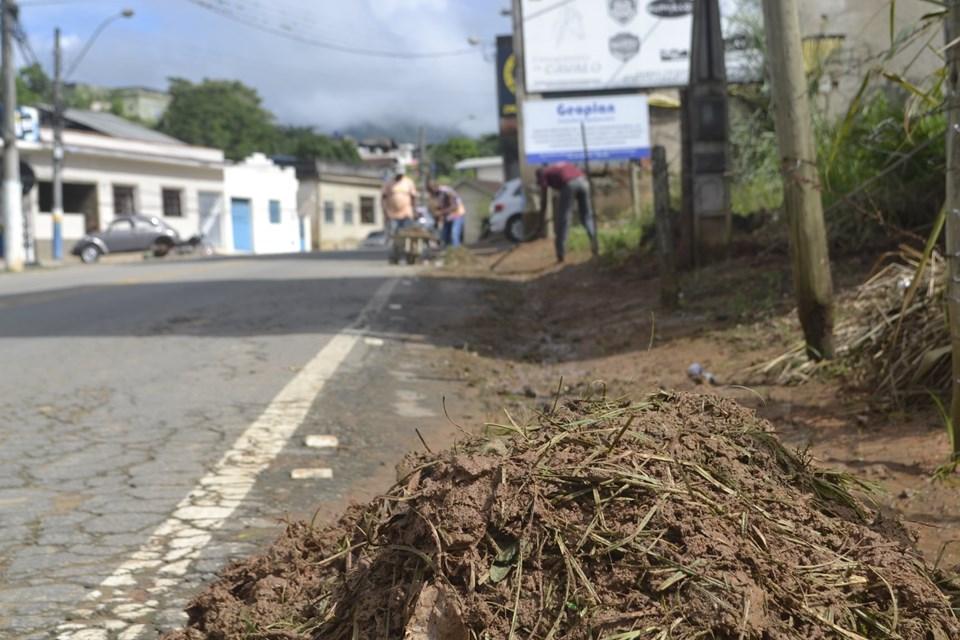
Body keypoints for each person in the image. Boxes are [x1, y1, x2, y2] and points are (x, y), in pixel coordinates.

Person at [536, 162, 598, 262]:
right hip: (584, 182)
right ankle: (596, 244)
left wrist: (540, 222)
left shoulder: (543, 173)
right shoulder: (559, 166)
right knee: (587, 217)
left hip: (569, 185)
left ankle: (560, 254)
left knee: (563, 220)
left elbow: (544, 201)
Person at [382, 165, 418, 262]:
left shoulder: (409, 182)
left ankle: (410, 255)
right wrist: (385, 212)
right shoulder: (389, 183)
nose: (399, 176)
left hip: (407, 213)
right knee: (395, 236)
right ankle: (395, 255)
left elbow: (414, 197)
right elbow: (384, 197)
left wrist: (415, 211)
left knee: (408, 235)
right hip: (393, 214)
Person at [428, 181, 466, 248]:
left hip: (457, 215)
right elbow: (437, 210)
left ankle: (457, 252)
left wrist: (441, 212)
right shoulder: (435, 196)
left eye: (432, 189)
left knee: (454, 234)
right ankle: (447, 253)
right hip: (448, 217)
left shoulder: (446, 191)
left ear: (436, 187)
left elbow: (454, 206)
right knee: (444, 237)